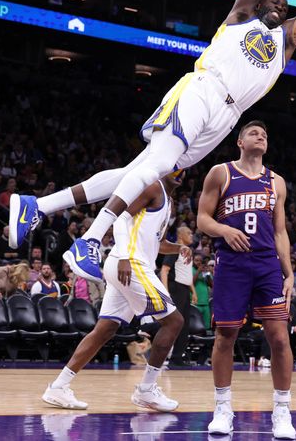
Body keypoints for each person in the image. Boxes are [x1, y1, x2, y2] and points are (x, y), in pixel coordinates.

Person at [8, 0, 296, 288]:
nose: (281, 8)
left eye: (285, 8)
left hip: (227, 117)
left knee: (140, 170)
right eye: (275, 2)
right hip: (203, 89)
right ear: (259, 2)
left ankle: (39, 206)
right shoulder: (240, 16)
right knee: (155, 165)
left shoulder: (288, 41)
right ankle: (91, 239)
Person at [42, 172, 187, 412]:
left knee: (104, 330)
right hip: (130, 264)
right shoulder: (152, 187)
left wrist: (179, 247)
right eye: (176, 166)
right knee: (174, 322)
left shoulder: (168, 202)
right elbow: (120, 218)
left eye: (184, 169)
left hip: (126, 266)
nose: (181, 172)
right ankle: (146, 390)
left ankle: (58, 387)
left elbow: (154, 242)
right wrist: (126, 257)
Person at [196, 121, 296, 438]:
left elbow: (280, 231)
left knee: (279, 337)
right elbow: (202, 219)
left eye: (264, 134)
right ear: (240, 141)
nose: (261, 136)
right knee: (226, 334)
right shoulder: (221, 173)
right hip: (232, 263)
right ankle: (223, 408)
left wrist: (290, 271)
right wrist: (225, 229)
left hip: (266, 264)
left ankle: (282, 410)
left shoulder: (277, 182)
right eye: (254, 133)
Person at [160, 225, 197, 366]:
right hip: (175, 289)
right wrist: (166, 292)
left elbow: (186, 273)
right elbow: (164, 270)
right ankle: (146, 330)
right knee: (175, 323)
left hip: (184, 289)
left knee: (184, 325)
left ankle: (177, 357)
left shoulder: (188, 251)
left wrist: (193, 290)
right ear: (180, 236)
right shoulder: (175, 249)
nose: (192, 235)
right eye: (189, 233)